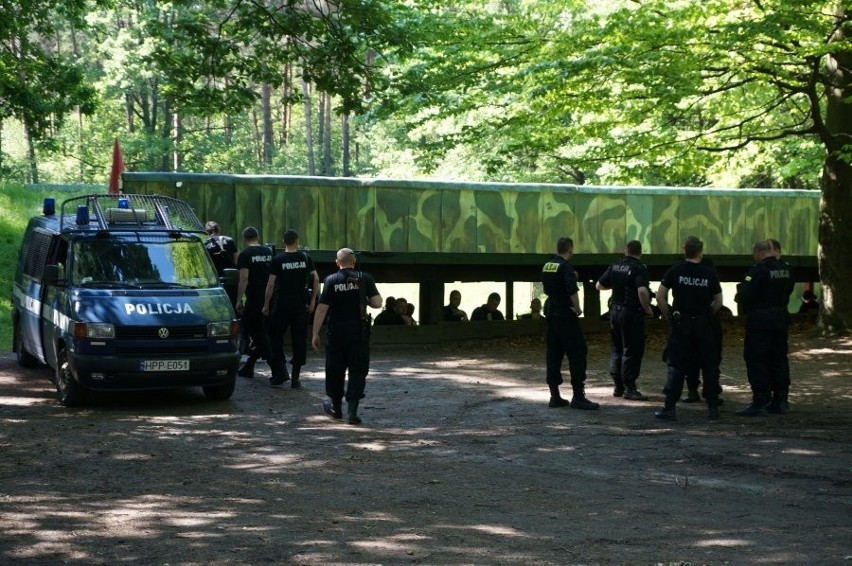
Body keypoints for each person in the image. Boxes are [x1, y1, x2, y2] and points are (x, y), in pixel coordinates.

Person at [654, 236, 724, 421]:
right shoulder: (709, 273)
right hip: (703, 324)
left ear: (684, 251)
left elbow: (660, 296)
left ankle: (669, 408)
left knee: (677, 365)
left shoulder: (675, 271)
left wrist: (669, 315)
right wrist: (708, 315)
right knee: (709, 365)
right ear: (700, 253)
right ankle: (712, 408)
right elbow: (719, 301)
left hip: (681, 323)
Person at [312, 248, 382, 425]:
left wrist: (315, 334)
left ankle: (336, 408)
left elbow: (321, 309)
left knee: (335, 369)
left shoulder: (330, 280)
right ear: (354, 262)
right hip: (358, 333)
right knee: (358, 371)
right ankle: (352, 411)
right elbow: (377, 303)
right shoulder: (365, 278)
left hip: (336, 333)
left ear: (337, 263)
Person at [734, 239, 795, 416]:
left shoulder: (758, 269)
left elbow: (743, 295)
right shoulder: (786, 268)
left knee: (757, 358)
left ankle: (760, 401)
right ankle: (780, 400)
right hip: (781, 317)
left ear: (759, 253)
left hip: (760, 319)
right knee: (779, 358)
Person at [540, 237, 599, 410]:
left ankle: (555, 396)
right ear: (570, 250)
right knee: (578, 352)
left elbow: (549, 287)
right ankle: (578, 396)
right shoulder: (566, 267)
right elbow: (572, 290)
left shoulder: (548, 265)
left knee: (554, 354)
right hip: (566, 314)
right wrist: (579, 309)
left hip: (552, 314)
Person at [595, 240, 654, 401]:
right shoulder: (638, 268)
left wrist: (616, 286)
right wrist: (648, 309)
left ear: (625, 251)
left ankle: (618, 386)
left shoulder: (614, 266)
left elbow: (599, 285)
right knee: (632, 350)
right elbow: (642, 291)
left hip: (614, 312)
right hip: (631, 314)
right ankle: (630, 388)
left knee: (617, 348)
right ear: (640, 252)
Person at [262, 229, 319, 389]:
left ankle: (281, 371)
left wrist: (266, 305)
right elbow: (315, 279)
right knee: (299, 340)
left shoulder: (278, 260)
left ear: (283, 242)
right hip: (300, 305)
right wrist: (313, 300)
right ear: (297, 240)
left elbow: (271, 284)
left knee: (274, 336)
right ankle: (295, 378)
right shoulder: (306, 258)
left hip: (282, 305)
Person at [682, 253, 725, 405]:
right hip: (709, 322)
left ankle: (693, 391)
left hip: (687, 321)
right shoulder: (710, 276)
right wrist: (709, 315)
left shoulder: (680, 272)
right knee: (712, 359)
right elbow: (718, 300)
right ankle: (711, 392)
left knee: (690, 357)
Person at [235, 227, 273, 379]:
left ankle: (277, 368)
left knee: (256, 332)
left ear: (245, 238)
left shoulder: (245, 254)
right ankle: (249, 366)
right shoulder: (268, 252)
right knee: (261, 332)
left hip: (255, 298)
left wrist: (238, 300)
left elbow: (244, 278)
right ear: (258, 236)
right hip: (269, 297)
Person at [204, 221, 239, 306]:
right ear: (218, 229)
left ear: (206, 231)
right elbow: (237, 257)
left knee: (218, 302)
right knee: (233, 300)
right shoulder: (229, 240)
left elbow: (207, 264)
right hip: (232, 276)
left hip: (216, 277)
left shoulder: (206, 244)